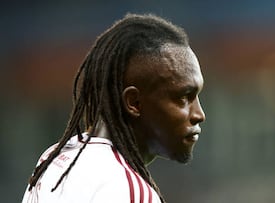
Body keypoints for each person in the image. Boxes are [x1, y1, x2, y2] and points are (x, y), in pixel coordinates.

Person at [22, 13, 206, 203]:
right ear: (134, 103)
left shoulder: (55, 160)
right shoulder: (128, 190)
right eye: (184, 97)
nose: (199, 114)